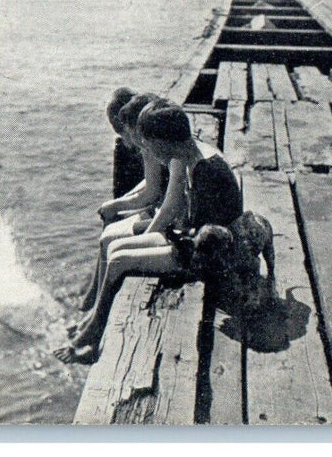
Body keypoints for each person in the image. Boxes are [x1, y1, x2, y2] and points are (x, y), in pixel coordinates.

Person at [56, 100, 243, 364]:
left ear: (164, 142)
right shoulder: (193, 156)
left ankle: (94, 330)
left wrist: (156, 237)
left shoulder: (204, 171)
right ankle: (96, 323)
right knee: (115, 249)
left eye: (151, 146)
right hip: (196, 239)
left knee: (120, 259)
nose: (151, 154)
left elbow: (200, 239)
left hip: (210, 256)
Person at [77, 92, 168, 311]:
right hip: (159, 210)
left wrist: (118, 205)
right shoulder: (149, 143)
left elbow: (152, 192)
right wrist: (121, 202)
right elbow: (149, 184)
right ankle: (96, 295)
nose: (122, 138)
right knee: (109, 232)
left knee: (110, 235)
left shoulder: (148, 146)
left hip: (160, 213)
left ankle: (97, 302)